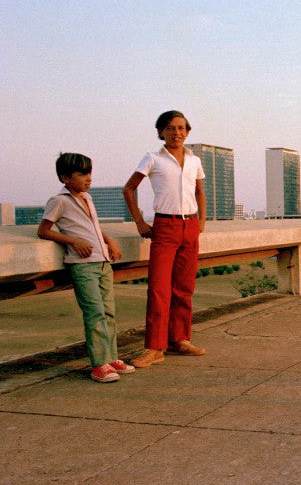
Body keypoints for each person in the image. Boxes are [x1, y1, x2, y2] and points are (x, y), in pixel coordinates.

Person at [37, 153, 134, 383]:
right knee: (95, 313)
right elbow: (43, 230)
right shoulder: (59, 201)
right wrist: (74, 241)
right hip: (82, 265)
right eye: (81, 174)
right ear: (65, 178)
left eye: (89, 173)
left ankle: (112, 358)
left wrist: (109, 241)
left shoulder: (87, 198)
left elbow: (94, 227)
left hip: (102, 262)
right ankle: (99, 364)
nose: (88, 178)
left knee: (109, 312)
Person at [123, 110, 207, 368]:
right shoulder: (153, 159)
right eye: (170, 128)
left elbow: (199, 192)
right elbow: (129, 189)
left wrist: (201, 220)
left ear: (188, 131)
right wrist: (140, 222)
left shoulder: (194, 160)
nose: (176, 133)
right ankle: (154, 347)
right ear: (161, 132)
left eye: (181, 128)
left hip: (189, 227)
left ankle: (179, 339)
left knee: (184, 288)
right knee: (159, 290)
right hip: (165, 227)